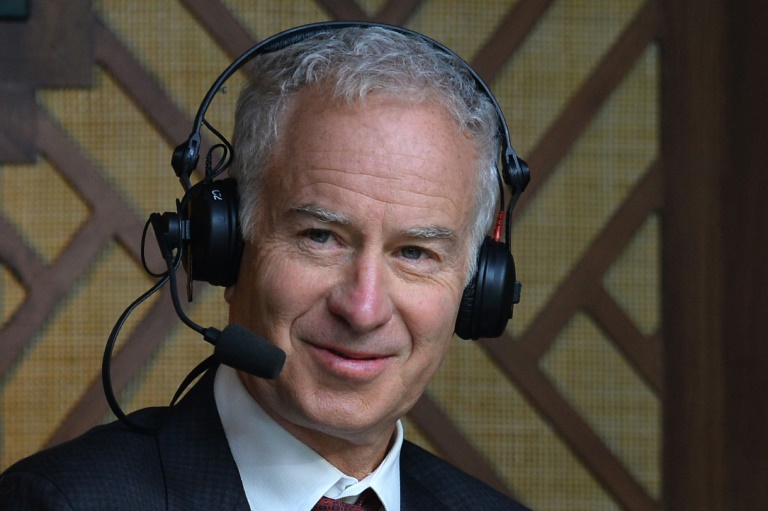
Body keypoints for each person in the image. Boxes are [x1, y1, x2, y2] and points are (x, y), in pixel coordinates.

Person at [0, 24, 531, 510]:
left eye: (414, 253)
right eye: (320, 237)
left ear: (477, 287)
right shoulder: (59, 502)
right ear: (226, 247)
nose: (363, 309)